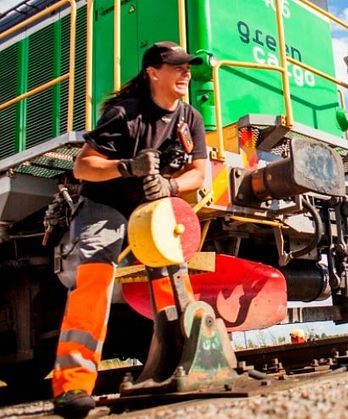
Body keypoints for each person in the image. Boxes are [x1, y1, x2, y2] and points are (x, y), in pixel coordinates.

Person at [51, 41, 207, 417]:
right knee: (94, 280)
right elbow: (83, 167)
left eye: (188, 67)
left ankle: (178, 363)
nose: (186, 73)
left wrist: (170, 186)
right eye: (177, 67)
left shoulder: (191, 119)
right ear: (154, 72)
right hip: (105, 205)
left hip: (150, 208)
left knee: (171, 275)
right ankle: (72, 385)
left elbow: (199, 174)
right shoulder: (127, 113)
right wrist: (127, 167)